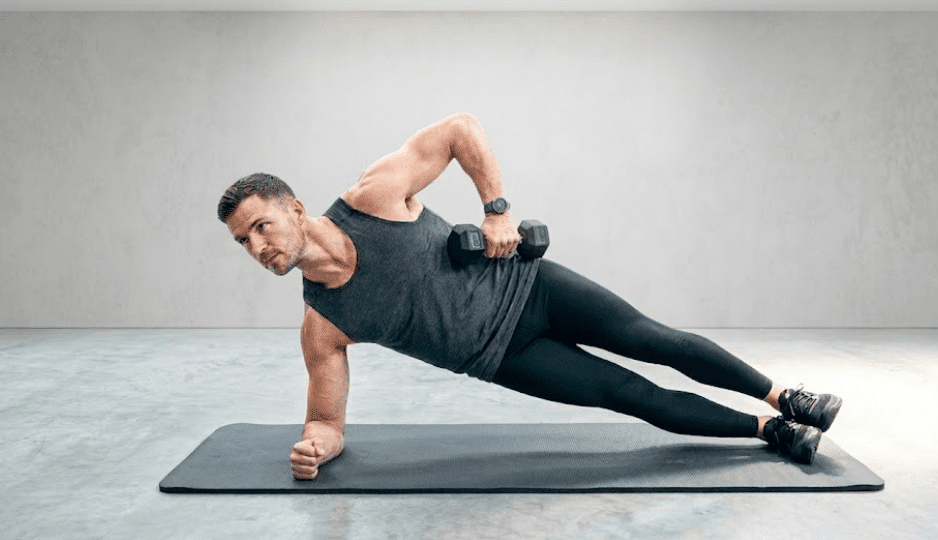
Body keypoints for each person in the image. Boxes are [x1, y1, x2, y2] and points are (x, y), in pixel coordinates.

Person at [216, 113, 842, 480]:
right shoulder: (323, 325)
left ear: (294, 209)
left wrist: (497, 211)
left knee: (656, 340)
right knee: (632, 396)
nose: (256, 247)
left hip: (529, 288)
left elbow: (460, 128)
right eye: (243, 242)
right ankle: (772, 430)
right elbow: (327, 421)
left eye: (261, 227)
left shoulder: (373, 197)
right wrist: (316, 447)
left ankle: (787, 395)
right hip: (504, 358)